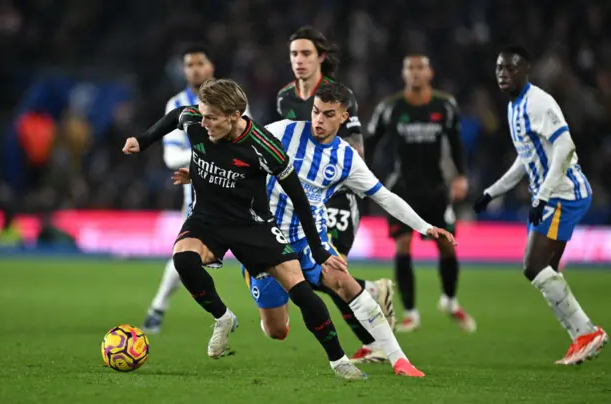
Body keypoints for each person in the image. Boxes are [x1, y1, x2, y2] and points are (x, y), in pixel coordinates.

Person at [175, 83, 454, 376]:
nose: (319, 120)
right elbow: (233, 144)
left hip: (309, 238)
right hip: (262, 237)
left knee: (343, 283)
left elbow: (383, 196)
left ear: (344, 117)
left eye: (328, 114)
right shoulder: (284, 132)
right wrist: (196, 173)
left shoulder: (347, 159)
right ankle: (337, 295)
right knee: (276, 330)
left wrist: (424, 226)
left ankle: (399, 359)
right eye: (316, 112)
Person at [123, 78, 367, 380]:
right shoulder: (196, 120)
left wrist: (317, 248)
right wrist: (143, 140)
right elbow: (176, 117)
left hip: (253, 224)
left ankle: (339, 360)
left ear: (234, 116)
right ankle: (223, 318)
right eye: (202, 114)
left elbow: (299, 198)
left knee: (301, 292)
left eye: (212, 117)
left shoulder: (264, 147)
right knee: (183, 259)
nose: (204, 122)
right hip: (207, 218)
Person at [474, 45, 607, 365]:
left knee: (533, 266)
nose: (503, 74)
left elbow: (565, 146)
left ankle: (587, 333)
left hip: (563, 193)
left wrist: (544, 195)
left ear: (527, 70)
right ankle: (581, 336)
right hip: (552, 193)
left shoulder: (539, 103)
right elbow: (527, 157)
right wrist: (493, 192)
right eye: (499, 69)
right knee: (545, 270)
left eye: (511, 68)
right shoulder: (513, 107)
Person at [276, 25, 396, 357]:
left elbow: (356, 147)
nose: (299, 61)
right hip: (302, 201)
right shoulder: (284, 98)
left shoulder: (339, 95)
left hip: (338, 195)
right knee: (320, 278)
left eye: (306, 54)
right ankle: (372, 304)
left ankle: (376, 340)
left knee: (329, 271)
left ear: (321, 58)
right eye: (294, 54)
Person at [142, 44, 250, 333]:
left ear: (211, 67)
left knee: (258, 254)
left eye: (200, 63)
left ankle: (275, 306)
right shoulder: (176, 104)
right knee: (184, 254)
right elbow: (169, 157)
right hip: (198, 195)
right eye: (189, 65)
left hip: (236, 191)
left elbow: (246, 144)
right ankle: (158, 308)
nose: (195, 69)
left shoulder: (233, 99)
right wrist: (207, 157)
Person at [367, 54, 475, 333]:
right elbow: (370, 141)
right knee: (403, 245)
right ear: (404, 74)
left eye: (420, 67)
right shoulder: (389, 108)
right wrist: (363, 175)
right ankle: (411, 313)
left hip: (436, 189)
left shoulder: (445, 106)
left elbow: (456, 143)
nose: (415, 73)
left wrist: (461, 175)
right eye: (410, 68)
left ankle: (449, 300)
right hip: (401, 189)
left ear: (430, 73)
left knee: (446, 246)